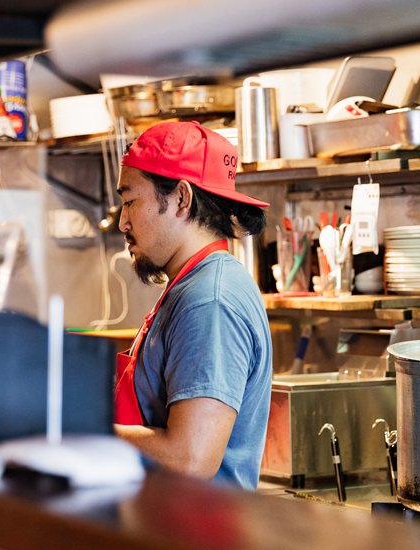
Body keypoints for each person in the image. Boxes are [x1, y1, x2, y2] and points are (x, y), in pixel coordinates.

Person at [113, 120, 273, 490]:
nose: (122, 221)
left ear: (181, 199)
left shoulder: (210, 301)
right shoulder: (193, 286)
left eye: (129, 201)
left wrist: (89, 431)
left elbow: (190, 459)